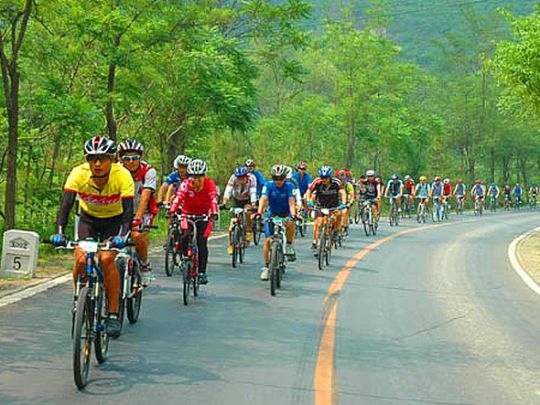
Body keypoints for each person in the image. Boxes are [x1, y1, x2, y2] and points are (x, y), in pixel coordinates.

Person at [51, 136, 134, 338]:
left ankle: (113, 313)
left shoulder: (122, 175)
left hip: (114, 222)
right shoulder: (78, 174)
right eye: (92, 158)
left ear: (112, 160)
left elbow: (128, 213)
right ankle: (79, 298)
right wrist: (60, 233)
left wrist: (122, 236)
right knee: (80, 259)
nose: (97, 164)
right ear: (87, 160)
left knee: (106, 260)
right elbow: (66, 205)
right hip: (88, 220)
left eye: (103, 159)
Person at [169, 159, 219, 285]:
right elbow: (178, 197)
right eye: (193, 177)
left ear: (204, 176)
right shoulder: (185, 184)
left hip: (203, 215)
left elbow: (213, 199)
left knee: (202, 242)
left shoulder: (209, 184)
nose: (197, 180)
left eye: (200, 177)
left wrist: (214, 212)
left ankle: (202, 272)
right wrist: (172, 211)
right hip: (187, 214)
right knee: (184, 236)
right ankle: (185, 258)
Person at [118, 139, 159, 285]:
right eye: (127, 158)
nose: (131, 162)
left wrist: (137, 219)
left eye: (135, 158)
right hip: (121, 211)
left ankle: (144, 265)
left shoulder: (149, 171)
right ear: (121, 159)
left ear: (140, 158)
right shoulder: (116, 170)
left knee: (137, 235)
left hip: (143, 210)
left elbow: (146, 196)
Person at [253, 164, 299, 281]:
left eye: (280, 178)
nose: (278, 181)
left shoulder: (290, 186)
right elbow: (263, 199)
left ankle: (288, 244)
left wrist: (293, 215)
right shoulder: (268, 185)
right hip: (273, 213)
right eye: (275, 178)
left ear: (285, 178)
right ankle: (266, 267)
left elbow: (291, 202)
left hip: (286, 212)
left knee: (290, 223)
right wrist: (259, 212)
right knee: (268, 240)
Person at [304, 166, 347, 253]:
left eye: (326, 178)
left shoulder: (336, 182)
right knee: (318, 223)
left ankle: (336, 231)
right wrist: (309, 201)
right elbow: (309, 192)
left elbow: (343, 192)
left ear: (330, 177)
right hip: (321, 206)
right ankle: (315, 242)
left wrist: (343, 203)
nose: (324, 180)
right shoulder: (317, 182)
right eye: (322, 178)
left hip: (333, 206)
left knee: (339, 214)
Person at [222, 165, 257, 254]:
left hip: (247, 199)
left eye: (242, 178)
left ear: (246, 177)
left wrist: (253, 205)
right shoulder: (233, 178)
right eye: (239, 178)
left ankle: (248, 231)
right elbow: (228, 191)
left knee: (248, 213)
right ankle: (231, 244)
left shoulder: (252, 179)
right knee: (232, 223)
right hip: (236, 199)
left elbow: (253, 192)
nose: (240, 180)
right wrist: (224, 203)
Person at [336, 169, 355, 235]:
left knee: (344, 212)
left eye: (343, 179)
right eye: (340, 179)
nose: (341, 181)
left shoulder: (348, 185)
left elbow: (352, 195)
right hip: (334, 202)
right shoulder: (334, 184)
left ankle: (345, 227)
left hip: (345, 202)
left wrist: (350, 203)